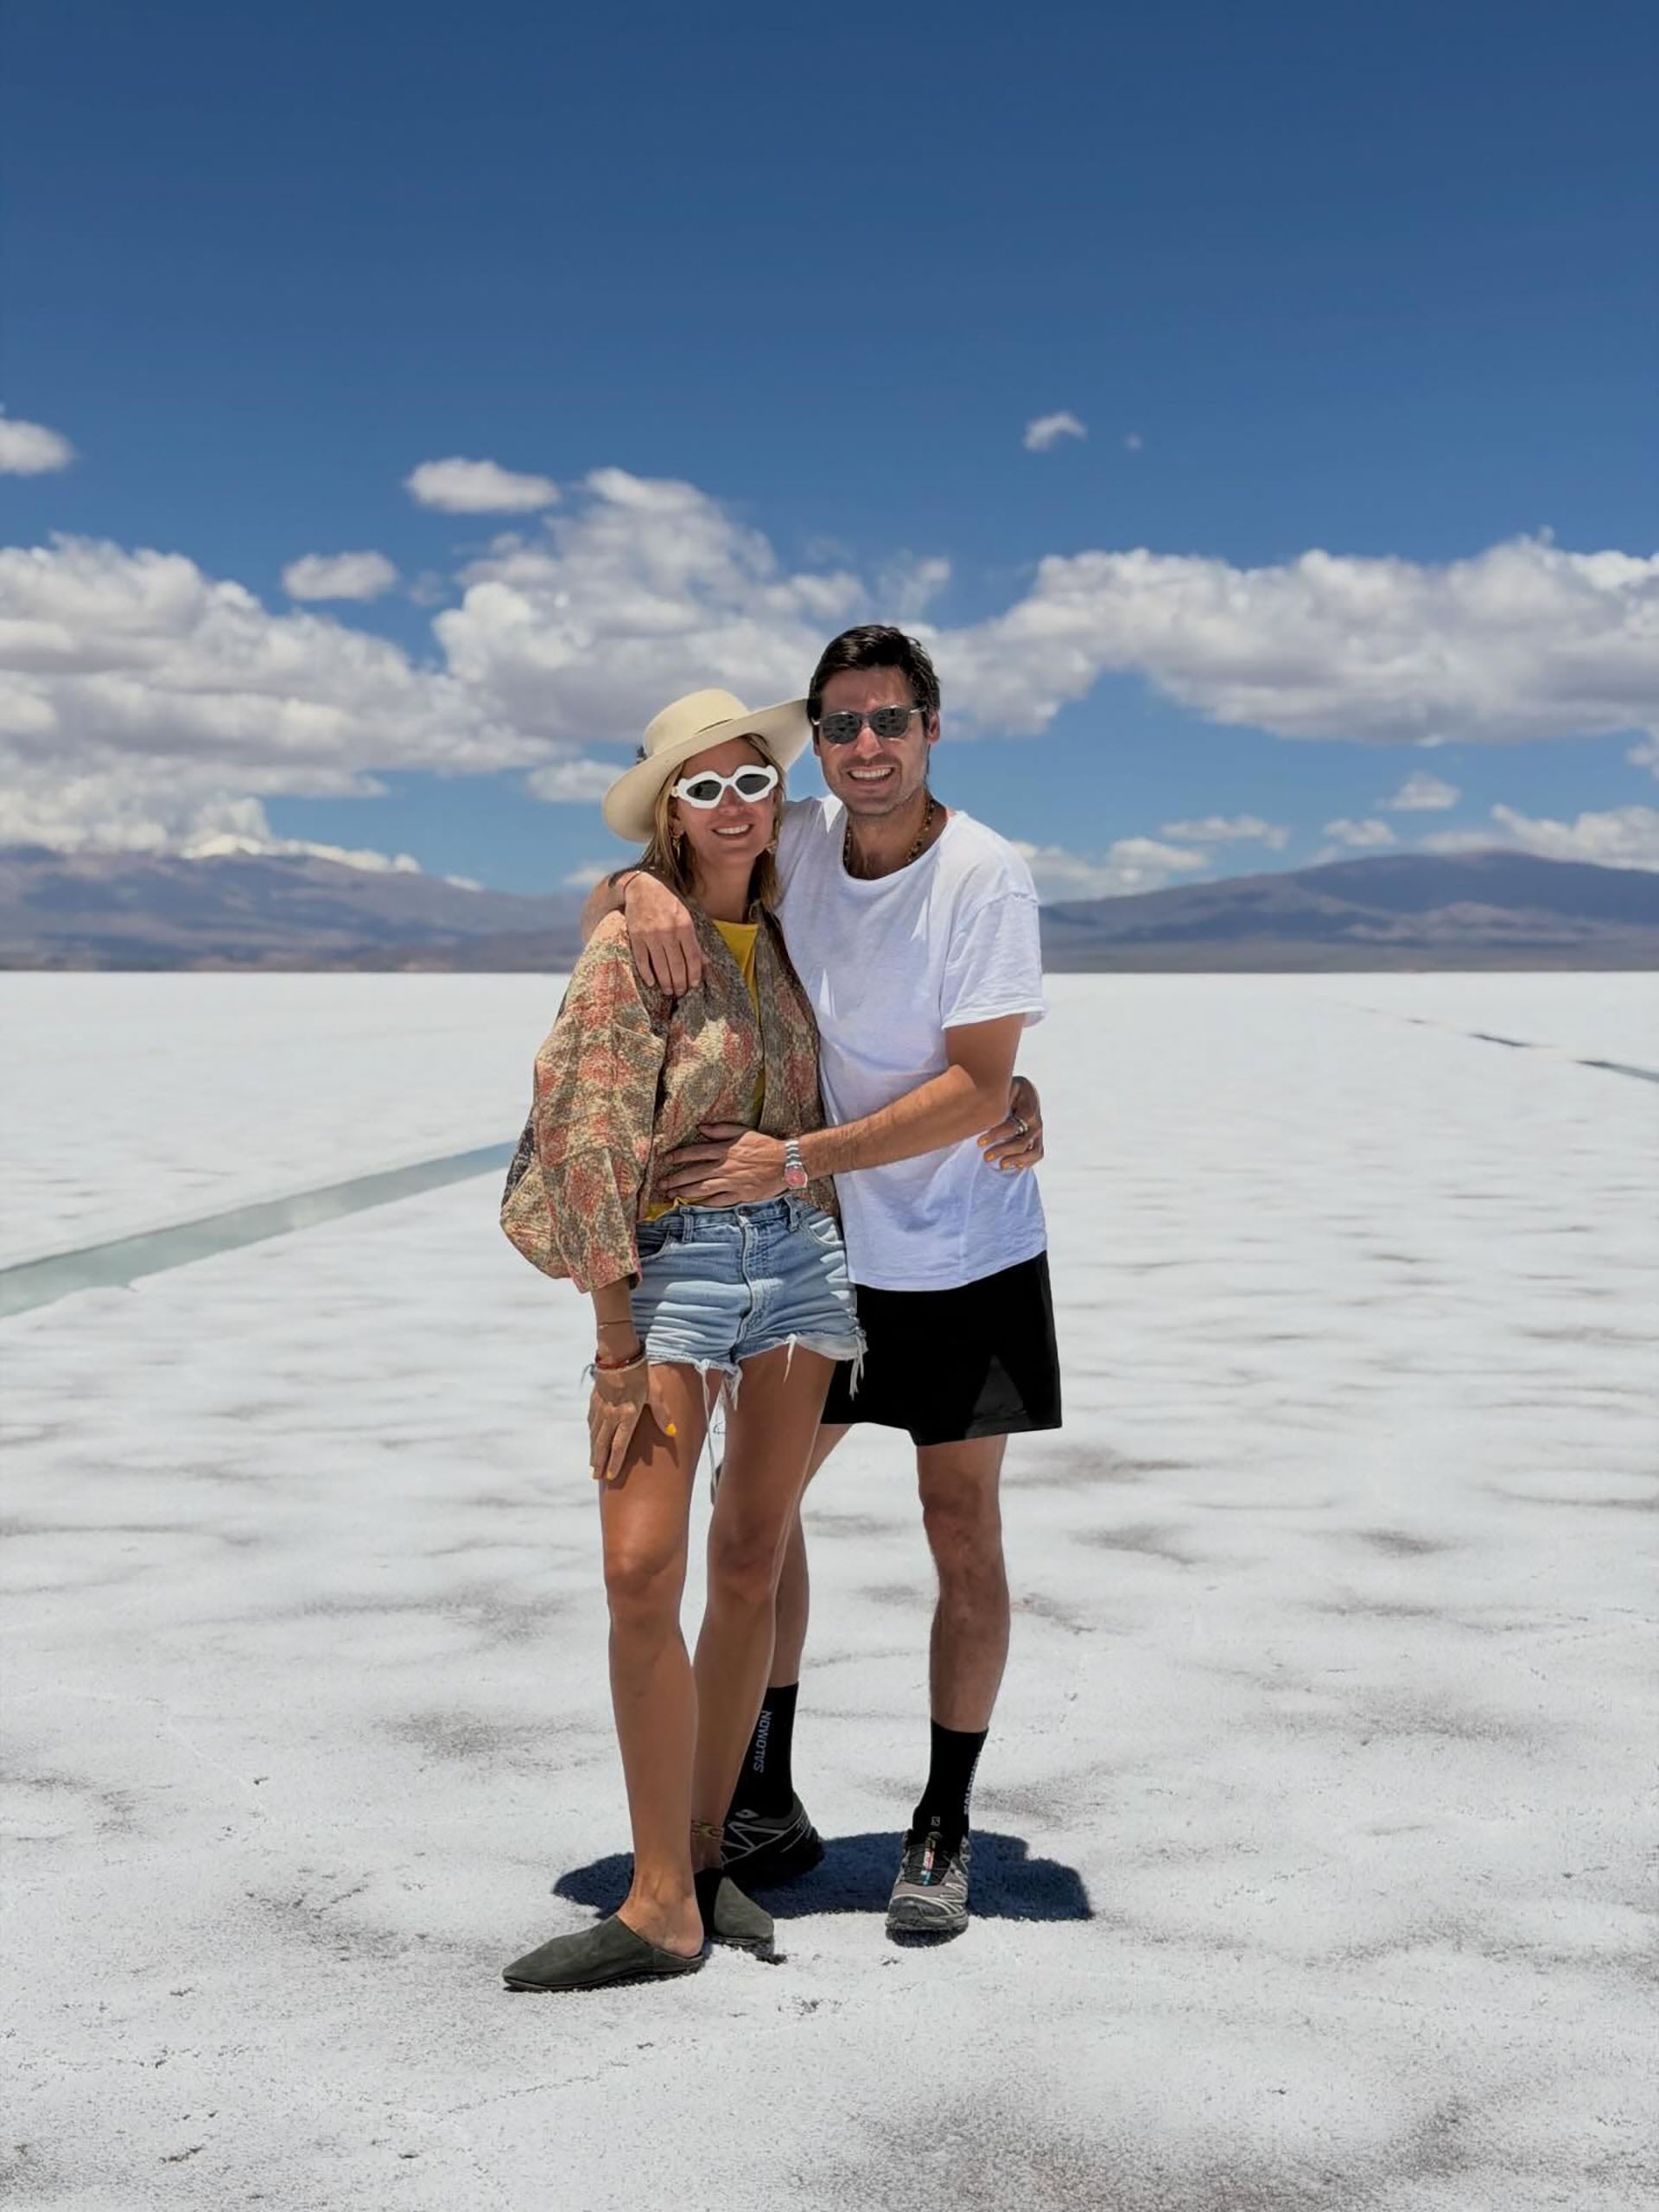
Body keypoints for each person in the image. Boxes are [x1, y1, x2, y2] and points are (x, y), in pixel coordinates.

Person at [582, 625, 1058, 1941]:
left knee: (960, 1532)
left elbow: (973, 1081)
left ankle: (943, 1823)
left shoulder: (984, 875)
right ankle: (764, 1793)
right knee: (759, 1509)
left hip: (964, 1254)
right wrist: (635, 895)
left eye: (887, 722)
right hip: (826, 1259)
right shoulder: (790, 840)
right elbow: (673, 859)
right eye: (840, 725)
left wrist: (799, 1153)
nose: (863, 746)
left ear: (931, 729)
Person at [497, 688, 865, 1993]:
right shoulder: (629, 947)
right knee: (642, 1573)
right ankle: (656, 1901)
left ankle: (706, 1859)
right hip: (672, 1272)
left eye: (746, 781)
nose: (728, 806)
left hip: (805, 1261)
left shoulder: (806, 920)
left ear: (779, 797)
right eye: (695, 789)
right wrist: (610, 1337)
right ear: (668, 813)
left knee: (753, 1558)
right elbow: (587, 1132)